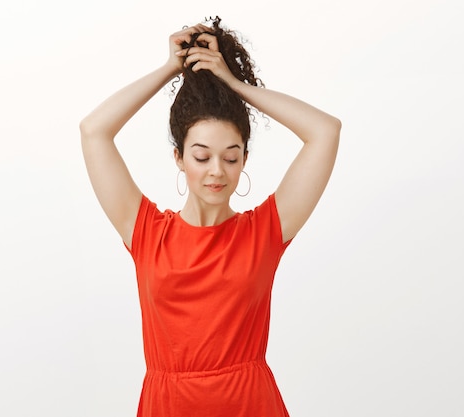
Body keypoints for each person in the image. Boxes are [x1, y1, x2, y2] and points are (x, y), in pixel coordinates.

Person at [79, 16, 341, 417]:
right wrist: (170, 68)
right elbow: (93, 130)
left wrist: (236, 86)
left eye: (231, 157)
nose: (216, 170)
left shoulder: (265, 231)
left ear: (244, 161)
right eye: (201, 156)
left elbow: (325, 130)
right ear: (179, 158)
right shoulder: (146, 231)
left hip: (250, 404)